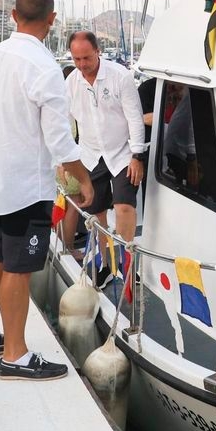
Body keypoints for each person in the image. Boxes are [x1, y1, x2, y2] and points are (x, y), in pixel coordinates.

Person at [0, 0, 93, 380]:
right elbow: (58, 138)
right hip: (24, 185)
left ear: (12, 14)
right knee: (19, 269)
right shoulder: (43, 67)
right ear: (52, 20)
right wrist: (84, 179)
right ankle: (15, 355)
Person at [64, 31, 145, 267]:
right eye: (76, 59)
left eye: (86, 58)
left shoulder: (121, 77)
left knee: (124, 206)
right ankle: (108, 262)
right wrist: (65, 159)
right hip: (90, 154)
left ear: (98, 52)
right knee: (96, 211)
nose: (82, 65)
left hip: (122, 152)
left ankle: (126, 262)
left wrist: (137, 155)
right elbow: (66, 122)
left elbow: (135, 119)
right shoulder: (71, 83)